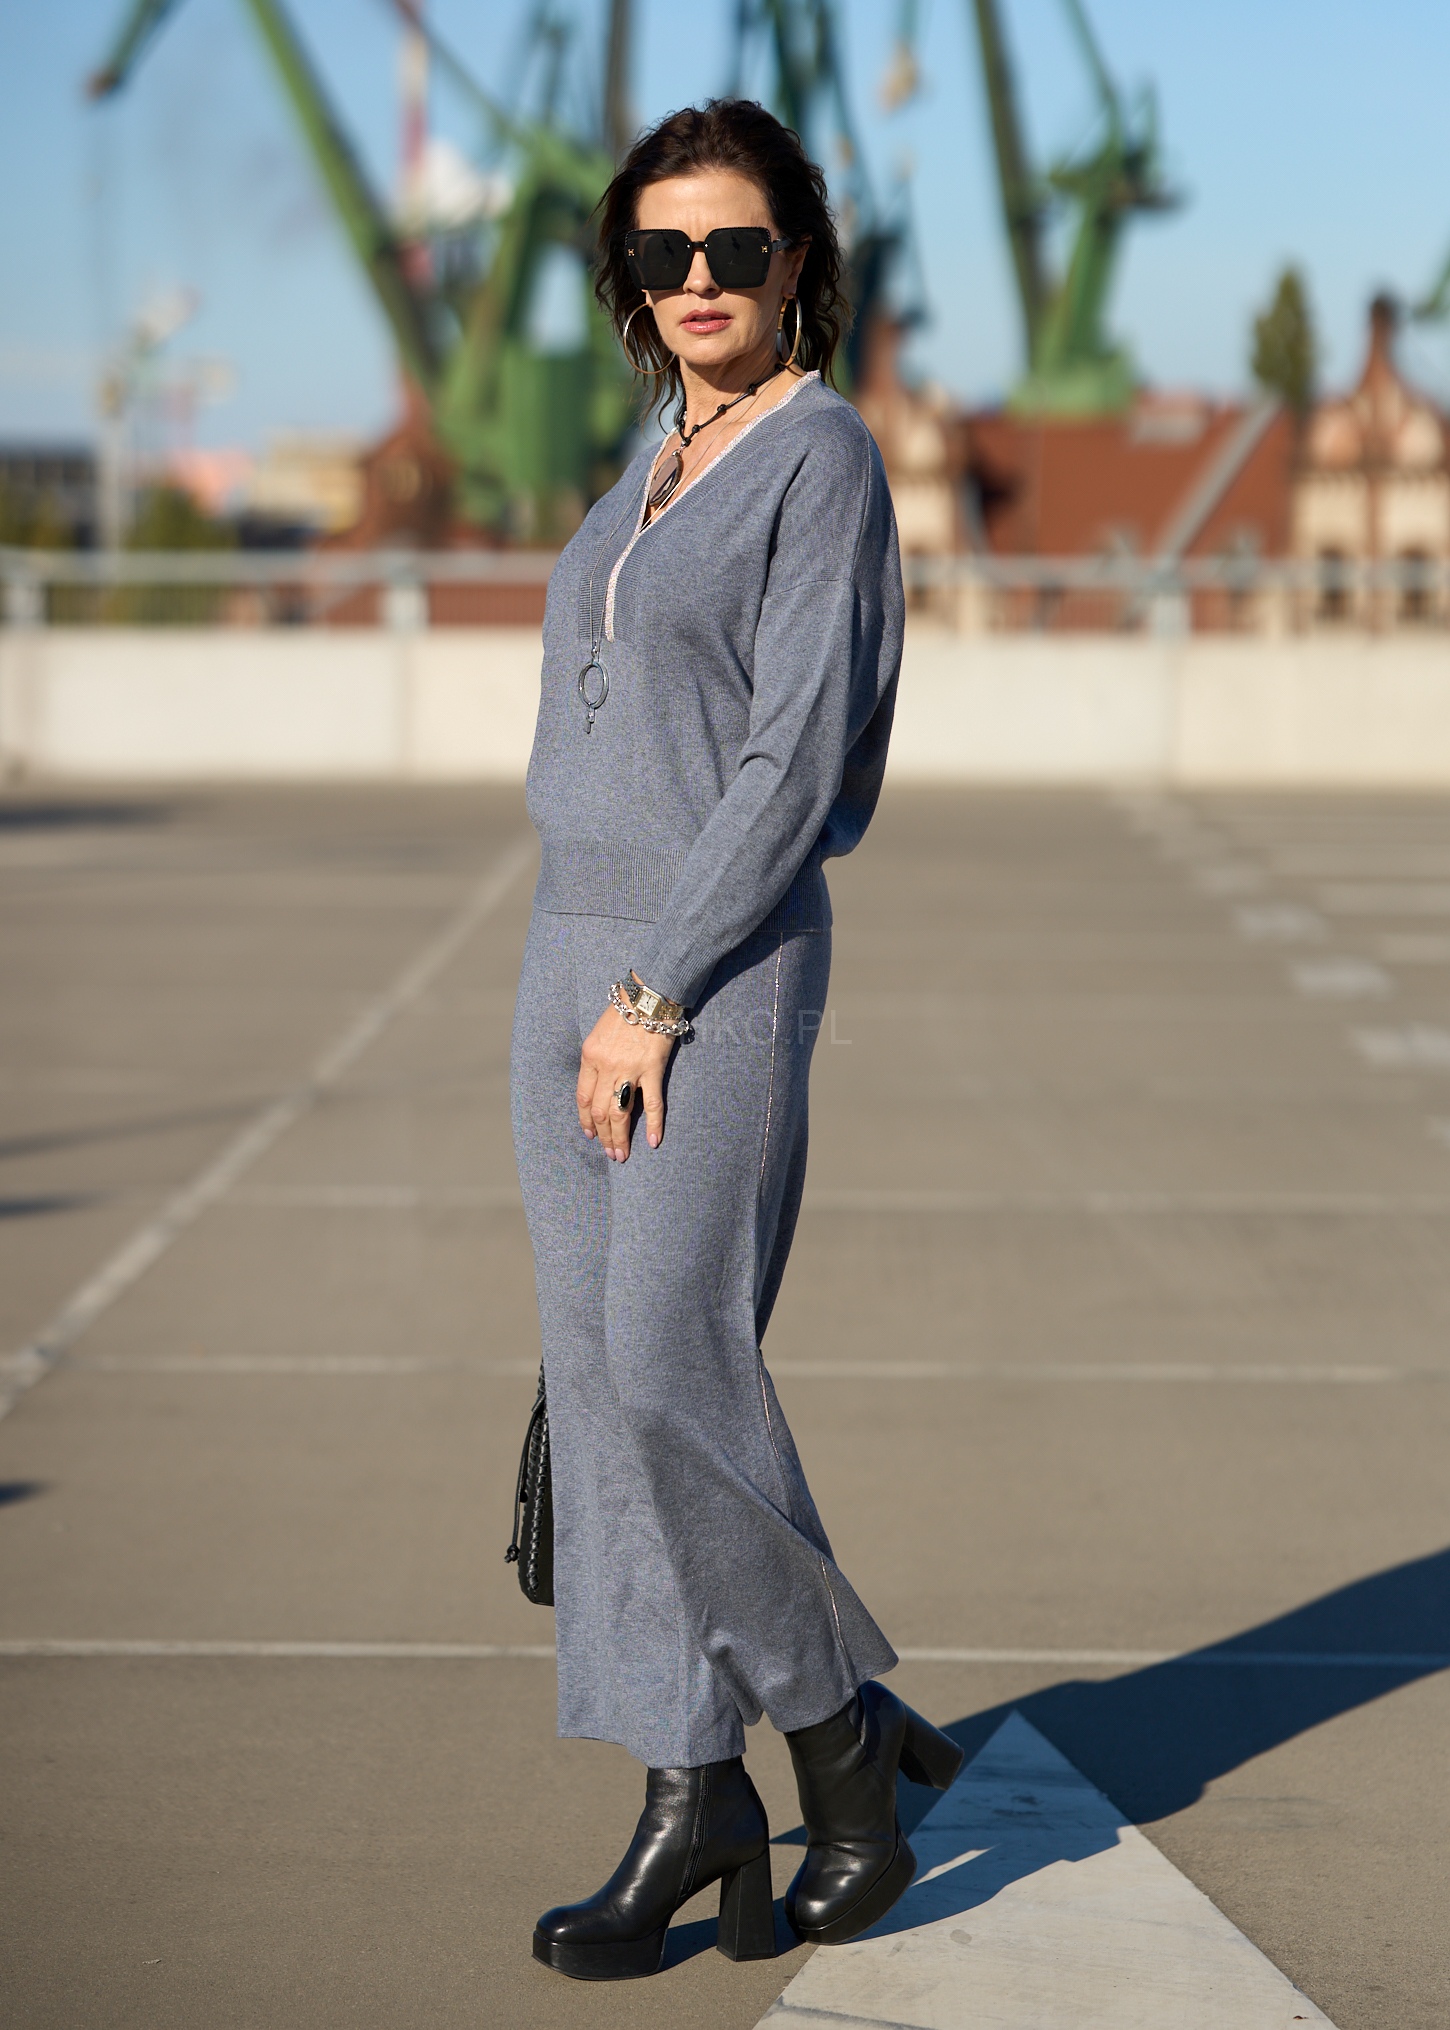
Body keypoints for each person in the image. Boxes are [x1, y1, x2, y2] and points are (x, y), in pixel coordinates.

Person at [511, 98, 962, 1985]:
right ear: (628, 272)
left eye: (736, 248)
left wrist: (657, 991)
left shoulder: (819, 456)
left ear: (798, 265)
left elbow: (787, 764)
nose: (698, 280)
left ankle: (838, 1735)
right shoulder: (654, 457)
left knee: (668, 1359)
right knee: (597, 1387)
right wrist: (589, 981)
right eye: (662, 250)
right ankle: (689, 1791)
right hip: (563, 954)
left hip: (711, 968)